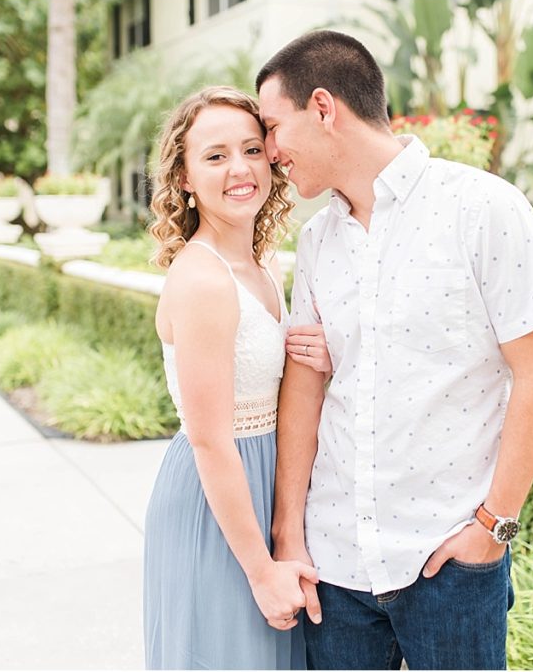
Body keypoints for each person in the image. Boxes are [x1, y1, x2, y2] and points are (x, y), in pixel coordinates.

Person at [256, 30, 533, 670]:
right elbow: (308, 386)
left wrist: (494, 529)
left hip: (449, 563)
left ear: (323, 108)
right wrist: (291, 533)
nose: (268, 151)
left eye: (271, 126)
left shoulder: (485, 209)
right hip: (335, 567)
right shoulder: (318, 241)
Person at [143, 86, 333, 670]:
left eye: (252, 149)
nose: (240, 169)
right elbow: (210, 438)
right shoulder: (202, 279)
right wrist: (261, 570)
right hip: (219, 501)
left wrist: (317, 356)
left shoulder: (263, 264)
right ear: (184, 178)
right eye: (216, 156)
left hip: (267, 481)